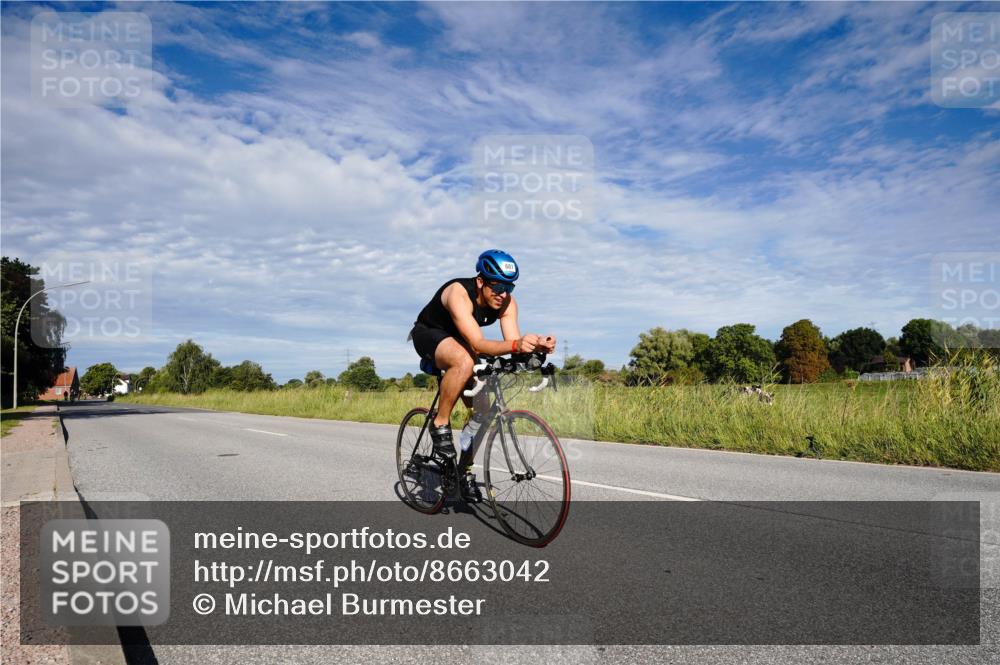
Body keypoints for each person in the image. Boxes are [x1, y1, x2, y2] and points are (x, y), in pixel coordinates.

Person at [409, 249, 556, 501]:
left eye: (509, 287)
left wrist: (534, 347)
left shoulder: (507, 302)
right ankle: (440, 422)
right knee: (465, 360)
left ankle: (462, 470)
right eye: (497, 286)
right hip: (430, 334)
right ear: (480, 281)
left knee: (483, 413)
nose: (503, 293)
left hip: (463, 342)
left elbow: (512, 344)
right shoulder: (459, 293)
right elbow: (478, 344)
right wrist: (515, 345)